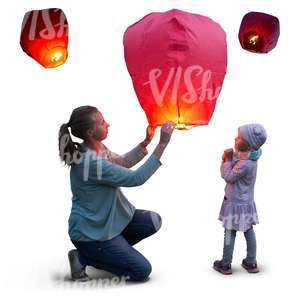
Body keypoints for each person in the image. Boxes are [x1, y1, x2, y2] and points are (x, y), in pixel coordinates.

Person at [58, 105, 175, 282]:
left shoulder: (96, 148)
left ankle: (110, 252)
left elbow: (121, 163)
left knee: (153, 221)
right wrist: (162, 143)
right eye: (103, 122)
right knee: (142, 271)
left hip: (107, 222)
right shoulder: (90, 163)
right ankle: (83, 256)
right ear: (90, 132)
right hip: (90, 235)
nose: (108, 124)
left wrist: (146, 142)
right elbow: (137, 178)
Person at [213, 124, 267, 275]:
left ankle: (225, 263)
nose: (235, 139)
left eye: (238, 138)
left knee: (230, 232)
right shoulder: (251, 157)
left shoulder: (245, 164)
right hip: (246, 203)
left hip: (235, 204)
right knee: (248, 230)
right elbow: (240, 156)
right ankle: (251, 262)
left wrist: (227, 161)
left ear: (247, 144)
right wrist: (231, 156)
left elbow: (228, 176)